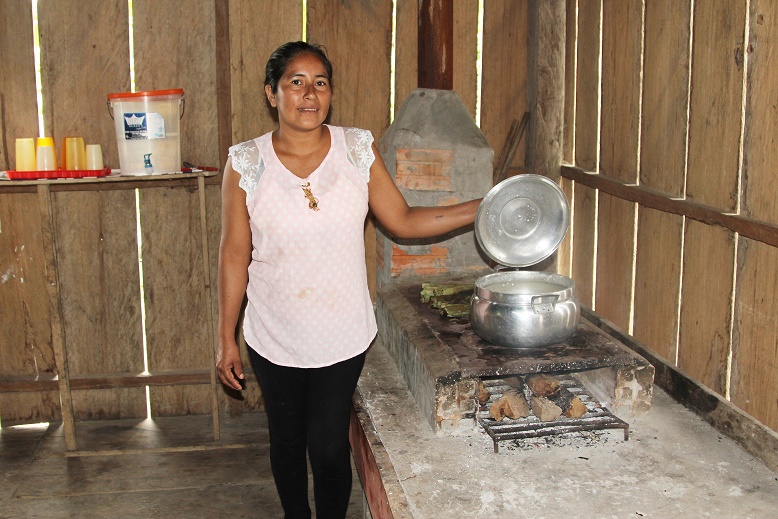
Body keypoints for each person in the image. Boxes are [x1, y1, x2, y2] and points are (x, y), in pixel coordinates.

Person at [216, 41, 481, 518]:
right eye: (295, 82)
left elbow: (402, 220)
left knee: (329, 445)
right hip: (273, 331)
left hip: (342, 332)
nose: (309, 93)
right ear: (272, 95)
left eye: (320, 82)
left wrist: (483, 208)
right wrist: (225, 338)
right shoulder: (246, 163)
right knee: (287, 440)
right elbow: (235, 254)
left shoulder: (356, 150)